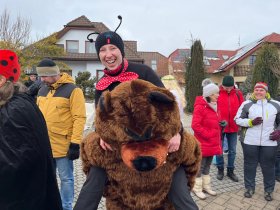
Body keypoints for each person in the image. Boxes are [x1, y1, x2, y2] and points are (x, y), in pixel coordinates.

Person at [74, 26, 198, 210]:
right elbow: (102, 120)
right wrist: (101, 136)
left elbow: (168, 106)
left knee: (178, 184)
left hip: (152, 141)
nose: (108, 54)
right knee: (95, 174)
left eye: (113, 48)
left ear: (121, 51)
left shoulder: (143, 72)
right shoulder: (101, 85)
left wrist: (177, 133)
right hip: (122, 146)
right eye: (102, 50)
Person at [0, 50, 62, 210]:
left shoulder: (12, 110)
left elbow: (13, 164)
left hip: (20, 199)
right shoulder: (19, 103)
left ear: (1, 79)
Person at [36, 58, 86, 210]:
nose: (41, 79)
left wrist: (75, 143)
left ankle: (66, 207)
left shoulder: (73, 90)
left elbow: (79, 117)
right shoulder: (42, 90)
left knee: (66, 179)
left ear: (53, 74)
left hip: (63, 145)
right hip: (44, 145)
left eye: (44, 76)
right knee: (47, 179)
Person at [235, 82, 280, 201]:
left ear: (266, 92)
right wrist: (250, 122)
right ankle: (249, 188)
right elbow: (237, 119)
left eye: (262, 90)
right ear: (254, 91)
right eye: (257, 90)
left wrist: (279, 131)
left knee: (268, 167)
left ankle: (269, 191)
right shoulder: (246, 104)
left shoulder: (276, 105)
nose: (259, 92)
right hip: (250, 141)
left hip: (269, 142)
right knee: (250, 165)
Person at [191, 79, 223, 199]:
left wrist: (221, 123)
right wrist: (209, 135)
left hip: (213, 143)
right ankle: (197, 188)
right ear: (209, 94)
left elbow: (214, 122)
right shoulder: (200, 107)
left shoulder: (215, 105)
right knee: (200, 166)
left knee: (208, 166)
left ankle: (206, 186)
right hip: (203, 142)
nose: (218, 95)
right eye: (216, 93)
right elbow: (195, 125)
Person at [216, 75, 244, 182]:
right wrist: (218, 120)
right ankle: (220, 169)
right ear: (222, 85)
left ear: (233, 85)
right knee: (219, 149)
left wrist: (240, 122)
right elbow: (213, 108)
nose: (228, 89)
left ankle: (230, 171)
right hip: (220, 126)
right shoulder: (217, 93)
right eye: (226, 87)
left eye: (230, 87)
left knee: (232, 150)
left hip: (233, 126)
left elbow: (242, 109)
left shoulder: (238, 94)